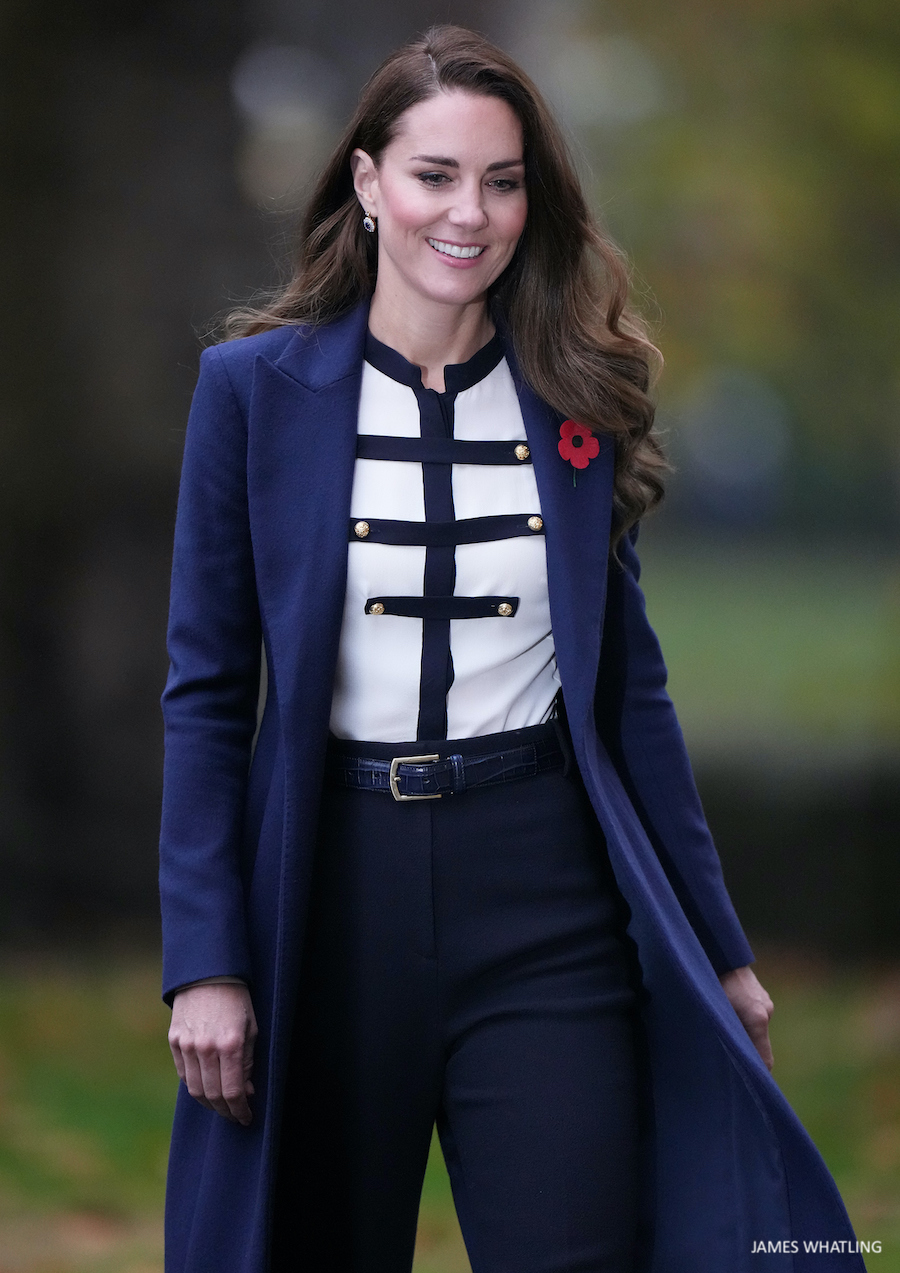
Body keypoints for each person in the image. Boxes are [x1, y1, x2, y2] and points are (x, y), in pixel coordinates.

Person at [159, 24, 863, 1273]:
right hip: (330, 896)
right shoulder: (254, 394)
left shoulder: (573, 402)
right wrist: (206, 961)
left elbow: (629, 695)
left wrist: (722, 949)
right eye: (436, 175)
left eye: (502, 179)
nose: (469, 213)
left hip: (545, 899)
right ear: (370, 185)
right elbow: (208, 698)